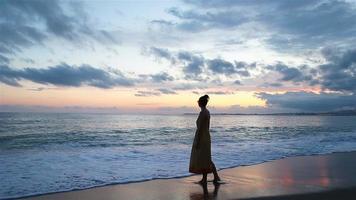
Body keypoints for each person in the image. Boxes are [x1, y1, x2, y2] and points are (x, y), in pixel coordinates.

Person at [189, 94, 221, 185]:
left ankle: (213, 177)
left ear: (200, 103)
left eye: (198, 101)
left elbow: (200, 128)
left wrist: (197, 141)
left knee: (205, 158)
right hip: (206, 136)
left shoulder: (203, 113)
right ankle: (212, 177)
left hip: (202, 137)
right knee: (206, 158)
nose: (197, 102)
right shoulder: (207, 112)